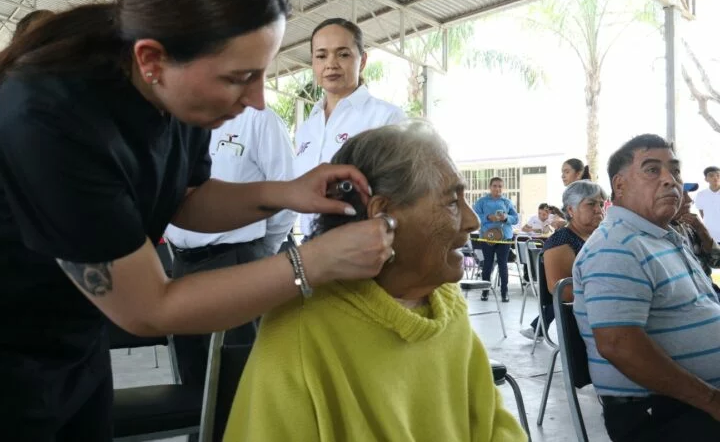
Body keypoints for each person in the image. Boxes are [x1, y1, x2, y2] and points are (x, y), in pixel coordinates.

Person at [0, 0, 395, 441]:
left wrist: (286, 191)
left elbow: (186, 198)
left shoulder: (177, 100)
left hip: (73, 342)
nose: (257, 100)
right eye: (239, 77)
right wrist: (315, 264)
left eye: (261, 73)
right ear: (152, 59)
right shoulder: (48, 116)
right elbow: (150, 306)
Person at [224, 121, 527, 442]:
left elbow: (494, 426)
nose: (472, 220)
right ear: (383, 217)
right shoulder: (301, 332)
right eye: (452, 201)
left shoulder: (447, 306)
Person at [573, 134, 720, 441]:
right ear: (620, 185)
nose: (670, 180)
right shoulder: (616, 245)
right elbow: (619, 345)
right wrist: (712, 401)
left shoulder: (662, 238)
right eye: (652, 170)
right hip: (666, 414)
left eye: (675, 171)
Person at [164, 105, 297, 385]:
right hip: (182, 267)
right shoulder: (175, 118)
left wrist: (260, 252)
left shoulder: (259, 120)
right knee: (192, 378)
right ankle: (201, 431)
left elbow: (288, 196)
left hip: (236, 262)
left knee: (238, 378)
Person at [294, 17, 405, 238]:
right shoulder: (307, 127)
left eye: (343, 54)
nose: (331, 64)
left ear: (362, 61)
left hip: (363, 242)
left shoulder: (386, 118)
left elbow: (401, 191)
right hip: (310, 244)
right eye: (321, 56)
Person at [519, 180, 605, 341]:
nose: (599, 210)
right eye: (591, 204)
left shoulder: (596, 236)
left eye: (601, 204)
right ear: (571, 210)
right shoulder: (562, 241)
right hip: (584, 323)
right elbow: (564, 292)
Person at [473, 177, 519, 302]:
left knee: (502, 264)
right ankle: (485, 291)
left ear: (502, 188)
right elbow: (474, 217)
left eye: (500, 186)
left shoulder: (507, 202)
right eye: (495, 186)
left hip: (505, 238)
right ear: (490, 187)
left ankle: (504, 292)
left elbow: (516, 219)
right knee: (487, 264)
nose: (497, 188)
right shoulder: (481, 201)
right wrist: (488, 217)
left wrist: (505, 218)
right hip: (487, 237)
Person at [672, 183, 720, 292]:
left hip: (710, 292)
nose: (689, 200)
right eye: (681, 195)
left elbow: (717, 263)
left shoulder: (690, 227)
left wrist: (702, 230)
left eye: (688, 194)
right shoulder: (659, 232)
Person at [695, 166, 720, 243]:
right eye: (711, 175)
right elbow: (702, 214)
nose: (715, 178)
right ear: (706, 179)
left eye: (718, 175)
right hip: (711, 238)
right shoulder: (700, 195)